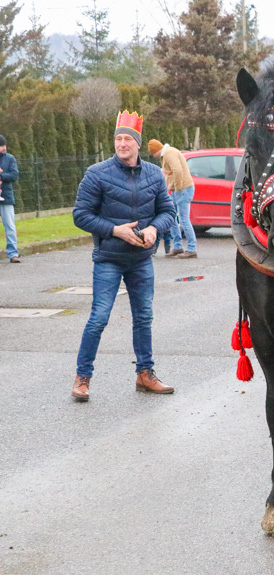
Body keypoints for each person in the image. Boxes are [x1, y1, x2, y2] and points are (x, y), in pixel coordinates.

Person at [71, 110, 177, 401]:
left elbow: (168, 211)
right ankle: (83, 377)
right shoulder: (97, 174)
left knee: (144, 317)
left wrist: (155, 229)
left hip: (141, 259)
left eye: (127, 139)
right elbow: (80, 215)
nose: (122, 144)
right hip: (108, 258)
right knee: (99, 318)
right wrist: (115, 230)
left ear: (138, 143)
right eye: (118, 139)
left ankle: (145, 374)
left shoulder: (155, 174)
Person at [148, 139, 197, 258]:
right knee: (172, 218)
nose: (153, 156)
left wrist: (178, 187)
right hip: (177, 190)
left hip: (183, 189)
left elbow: (177, 171)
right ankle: (177, 246)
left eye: (152, 153)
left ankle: (191, 249)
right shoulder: (168, 154)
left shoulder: (169, 153)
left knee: (184, 219)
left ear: (155, 151)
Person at [0, 134, 22, 263]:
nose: (3, 148)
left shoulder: (9, 159)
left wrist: (1, 176)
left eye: (3, 145)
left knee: (9, 226)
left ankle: (13, 253)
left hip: (6, 197)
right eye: (1, 146)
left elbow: (14, 175)